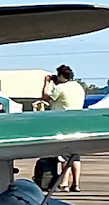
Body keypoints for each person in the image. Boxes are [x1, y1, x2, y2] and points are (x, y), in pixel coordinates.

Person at [36, 64, 86, 192]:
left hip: (62, 124)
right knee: (75, 156)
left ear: (61, 76)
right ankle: (76, 183)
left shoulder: (61, 88)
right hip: (77, 122)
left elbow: (45, 96)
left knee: (64, 155)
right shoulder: (78, 87)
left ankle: (63, 183)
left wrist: (46, 83)